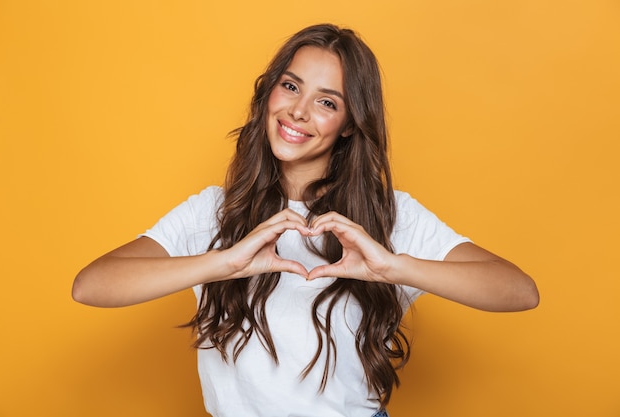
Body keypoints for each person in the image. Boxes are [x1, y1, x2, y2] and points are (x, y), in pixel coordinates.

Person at [72, 23, 539, 417]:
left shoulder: (388, 215)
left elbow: (519, 290)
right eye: (291, 86)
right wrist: (224, 263)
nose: (298, 111)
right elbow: (92, 285)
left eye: (327, 101)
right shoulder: (213, 210)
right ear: (269, 91)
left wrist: (393, 267)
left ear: (351, 122)